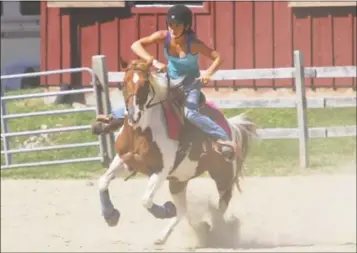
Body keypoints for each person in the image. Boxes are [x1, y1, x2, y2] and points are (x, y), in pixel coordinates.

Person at [130, 4, 236, 160]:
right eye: (170, 24)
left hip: (190, 84)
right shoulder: (162, 36)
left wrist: (208, 73)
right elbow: (135, 45)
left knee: (190, 113)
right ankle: (112, 118)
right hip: (169, 80)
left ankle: (222, 138)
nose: (172, 29)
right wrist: (154, 62)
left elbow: (218, 57)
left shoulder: (194, 44)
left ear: (186, 26)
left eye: (177, 25)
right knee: (143, 95)